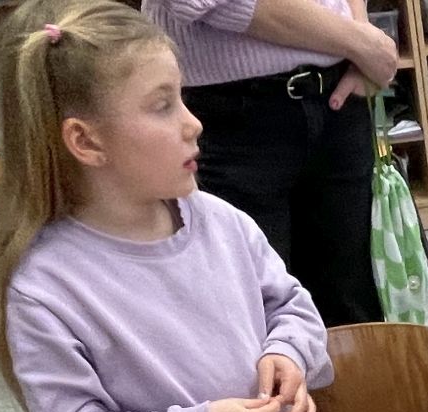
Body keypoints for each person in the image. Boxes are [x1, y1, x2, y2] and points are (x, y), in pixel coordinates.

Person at [0, 0, 341, 412]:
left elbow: (291, 306)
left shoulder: (220, 220)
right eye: (162, 105)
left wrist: (288, 352)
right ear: (86, 141)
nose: (194, 123)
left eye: (182, 98)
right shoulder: (45, 289)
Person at [144, 0, 399, 328]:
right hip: (230, 116)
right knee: (252, 314)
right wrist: (360, 42)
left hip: (336, 96)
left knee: (353, 313)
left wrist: (361, 39)